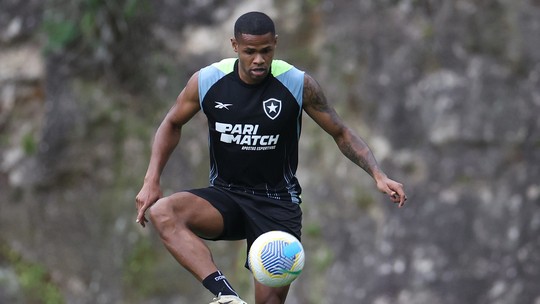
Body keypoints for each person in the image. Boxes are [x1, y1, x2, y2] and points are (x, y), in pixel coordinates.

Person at [135, 11, 407, 304]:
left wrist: (378, 175)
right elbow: (171, 123)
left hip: (277, 205)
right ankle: (226, 297)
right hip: (226, 197)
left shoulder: (296, 84)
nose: (258, 60)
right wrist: (152, 180)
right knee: (164, 212)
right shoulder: (208, 81)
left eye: (266, 51)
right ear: (234, 46)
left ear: (275, 44)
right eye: (250, 51)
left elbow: (340, 132)